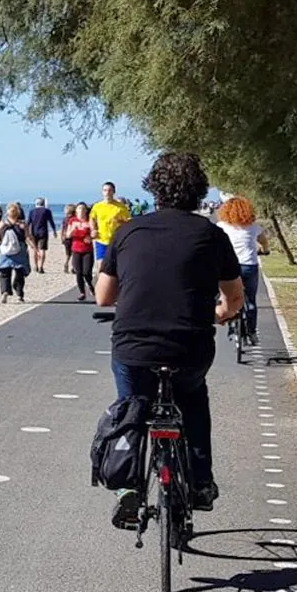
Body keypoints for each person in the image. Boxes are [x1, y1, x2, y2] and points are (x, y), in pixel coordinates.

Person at [96, 152, 243, 529]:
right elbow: (234, 297)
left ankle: (127, 489)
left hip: (134, 348)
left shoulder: (128, 231)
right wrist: (222, 313)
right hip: (190, 346)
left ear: (153, 189)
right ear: (198, 192)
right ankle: (200, 483)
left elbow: (103, 297)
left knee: (132, 405)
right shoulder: (212, 236)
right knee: (192, 399)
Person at [214, 196, 271, 339]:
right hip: (249, 266)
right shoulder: (254, 227)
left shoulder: (221, 226)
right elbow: (264, 243)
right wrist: (265, 251)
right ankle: (252, 332)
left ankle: (230, 324)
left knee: (225, 296)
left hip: (227, 267)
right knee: (250, 300)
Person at [89, 182, 131, 275]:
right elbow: (92, 218)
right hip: (101, 240)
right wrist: (93, 229)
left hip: (116, 240)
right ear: (102, 192)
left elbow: (129, 222)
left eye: (109, 190)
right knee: (101, 266)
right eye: (105, 190)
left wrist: (121, 222)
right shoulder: (97, 206)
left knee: (115, 267)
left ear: (114, 192)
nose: (107, 192)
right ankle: (101, 286)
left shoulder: (120, 207)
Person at [0, 203, 31, 303]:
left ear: (7, 213)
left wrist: (0, 242)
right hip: (20, 252)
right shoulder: (23, 225)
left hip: (5, 252)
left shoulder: (1, 224)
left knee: (4, 273)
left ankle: (5, 291)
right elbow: (28, 238)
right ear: (18, 213)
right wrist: (34, 248)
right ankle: (19, 294)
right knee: (19, 273)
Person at [62, 203, 95, 301]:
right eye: (79, 208)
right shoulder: (72, 221)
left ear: (86, 210)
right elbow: (67, 235)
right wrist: (71, 232)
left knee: (86, 272)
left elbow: (94, 232)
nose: (81, 210)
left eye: (83, 209)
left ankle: (90, 284)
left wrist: (90, 236)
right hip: (76, 249)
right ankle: (82, 292)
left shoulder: (90, 220)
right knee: (78, 272)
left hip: (87, 250)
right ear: (76, 211)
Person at [26, 197, 58, 273]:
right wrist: (54, 231)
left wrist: (26, 232)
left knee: (35, 249)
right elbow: (51, 222)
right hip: (43, 232)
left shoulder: (32, 211)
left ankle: (35, 266)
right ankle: (41, 267)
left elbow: (28, 223)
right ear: (43, 203)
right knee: (42, 250)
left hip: (34, 232)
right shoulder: (47, 211)